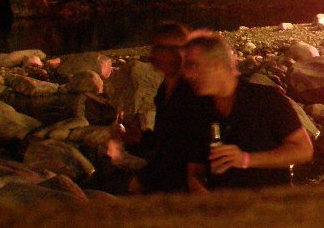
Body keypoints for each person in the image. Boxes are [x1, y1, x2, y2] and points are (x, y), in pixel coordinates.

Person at [182, 31, 314, 190]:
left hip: (272, 208)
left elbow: (304, 150)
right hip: (225, 210)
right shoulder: (199, 109)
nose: (187, 75)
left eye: (193, 65)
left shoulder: (266, 99)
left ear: (216, 64)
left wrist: (246, 159)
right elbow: (194, 171)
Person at [128, 21, 212, 195]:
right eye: (160, 49)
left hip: (187, 177)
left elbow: (205, 134)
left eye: (174, 49)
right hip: (168, 170)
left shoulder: (194, 90)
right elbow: (167, 138)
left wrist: (194, 172)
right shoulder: (164, 90)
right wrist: (140, 137)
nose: (167, 56)